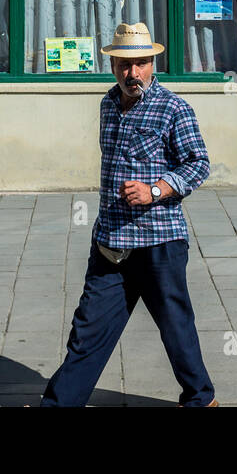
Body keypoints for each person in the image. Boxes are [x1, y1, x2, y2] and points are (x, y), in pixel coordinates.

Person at [39, 21, 218, 407]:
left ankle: (201, 399)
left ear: (153, 63)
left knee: (175, 328)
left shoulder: (174, 109)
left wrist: (155, 190)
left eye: (140, 64)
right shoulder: (107, 103)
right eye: (123, 64)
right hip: (112, 242)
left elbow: (198, 164)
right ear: (113, 65)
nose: (131, 73)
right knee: (88, 330)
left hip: (159, 243)